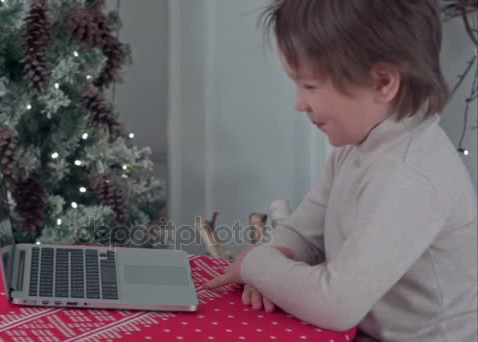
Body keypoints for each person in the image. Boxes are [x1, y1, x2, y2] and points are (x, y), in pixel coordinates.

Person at [203, 1, 478, 341]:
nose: (299, 103)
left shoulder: (414, 176)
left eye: (311, 87)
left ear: (382, 82)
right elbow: (302, 234)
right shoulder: (356, 147)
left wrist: (256, 265)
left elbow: (336, 304)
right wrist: (273, 264)